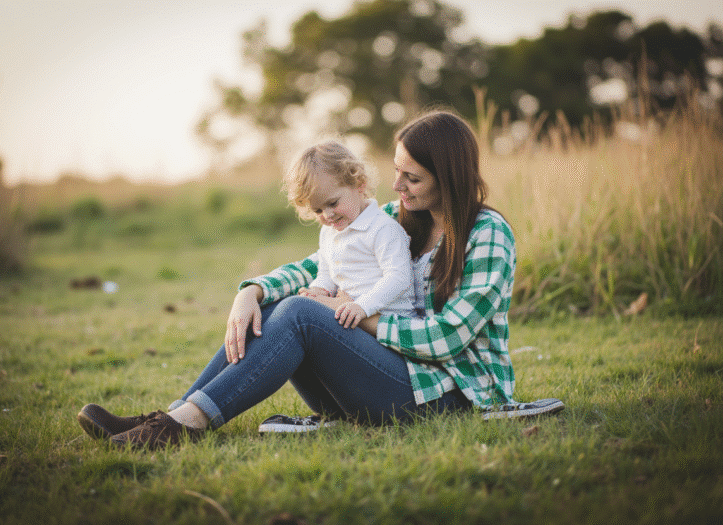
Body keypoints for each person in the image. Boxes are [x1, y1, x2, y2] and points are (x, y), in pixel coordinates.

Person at [77, 109, 564, 450]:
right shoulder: (396, 218)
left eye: (411, 178)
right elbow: (315, 269)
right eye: (396, 172)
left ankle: (186, 424)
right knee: (280, 306)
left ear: (449, 176)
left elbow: (449, 337)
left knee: (304, 314)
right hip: (389, 377)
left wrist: (358, 315)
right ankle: (170, 416)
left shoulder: (487, 235)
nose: (396, 187)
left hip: (448, 393)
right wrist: (253, 289)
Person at [285, 140, 416, 329]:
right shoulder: (328, 232)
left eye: (333, 203)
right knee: (288, 309)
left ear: (359, 184)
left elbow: (399, 277)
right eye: (318, 211)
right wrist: (317, 291)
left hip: (388, 323)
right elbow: (326, 273)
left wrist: (362, 306)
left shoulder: (381, 228)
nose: (328, 215)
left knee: (296, 315)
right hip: (349, 315)